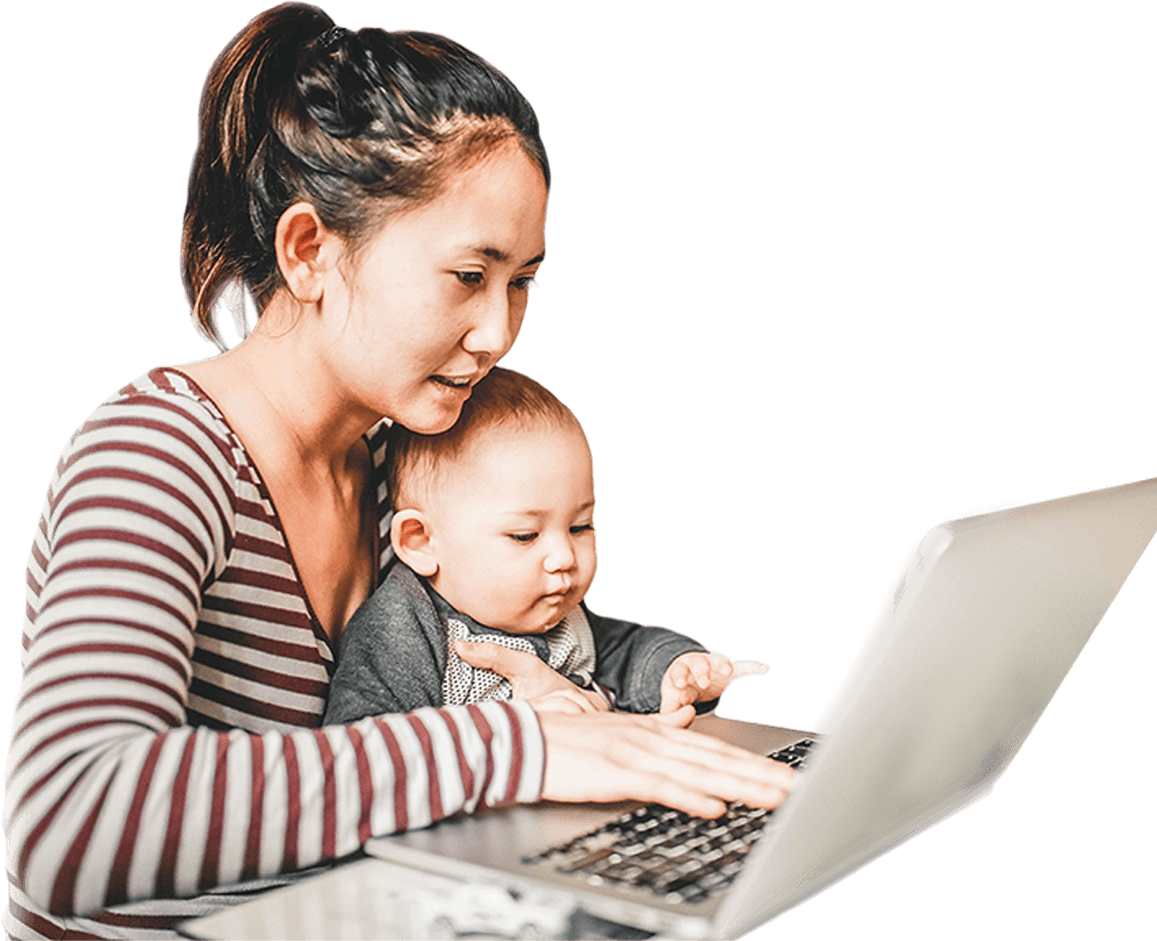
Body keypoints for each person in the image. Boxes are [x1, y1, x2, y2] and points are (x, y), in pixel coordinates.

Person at [5, 5, 796, 938]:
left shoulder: (401, 467)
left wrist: (567, 698)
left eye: (524, 282)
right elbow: (66, 821)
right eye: (469, 275)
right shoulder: (155, 455)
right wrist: (508, 746)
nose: (499, 334)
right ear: (310, 252)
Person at [323, 366, 772, 725]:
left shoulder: (560, 617)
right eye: (525, 535)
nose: (563, 558)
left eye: (580, 527)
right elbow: (363, 750)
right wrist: (510, 729)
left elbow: (626, 652)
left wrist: (678, 671)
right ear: (421, 542)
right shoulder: (404, 630)